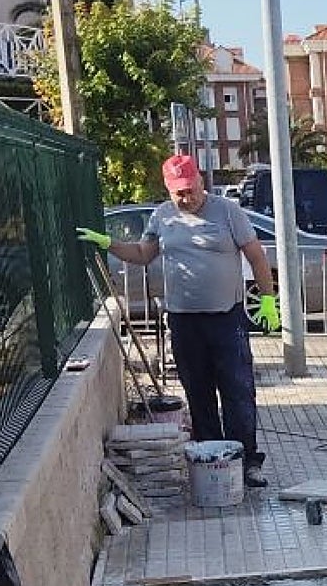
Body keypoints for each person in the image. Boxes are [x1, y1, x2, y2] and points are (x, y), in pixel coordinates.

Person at [76, 154, 280, 488]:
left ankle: (247, 462)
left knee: (238, 392)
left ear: (200, 181)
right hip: (184, 322)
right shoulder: (163, 216)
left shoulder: (227, 211)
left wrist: (268, 300)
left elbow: (256, 256)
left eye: (190, 190)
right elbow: (143, 254)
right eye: (178, 193)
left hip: (226, 319)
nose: (186, 198)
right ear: (169, 190)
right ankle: (212, 456)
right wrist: (108, 244)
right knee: (198, 393)